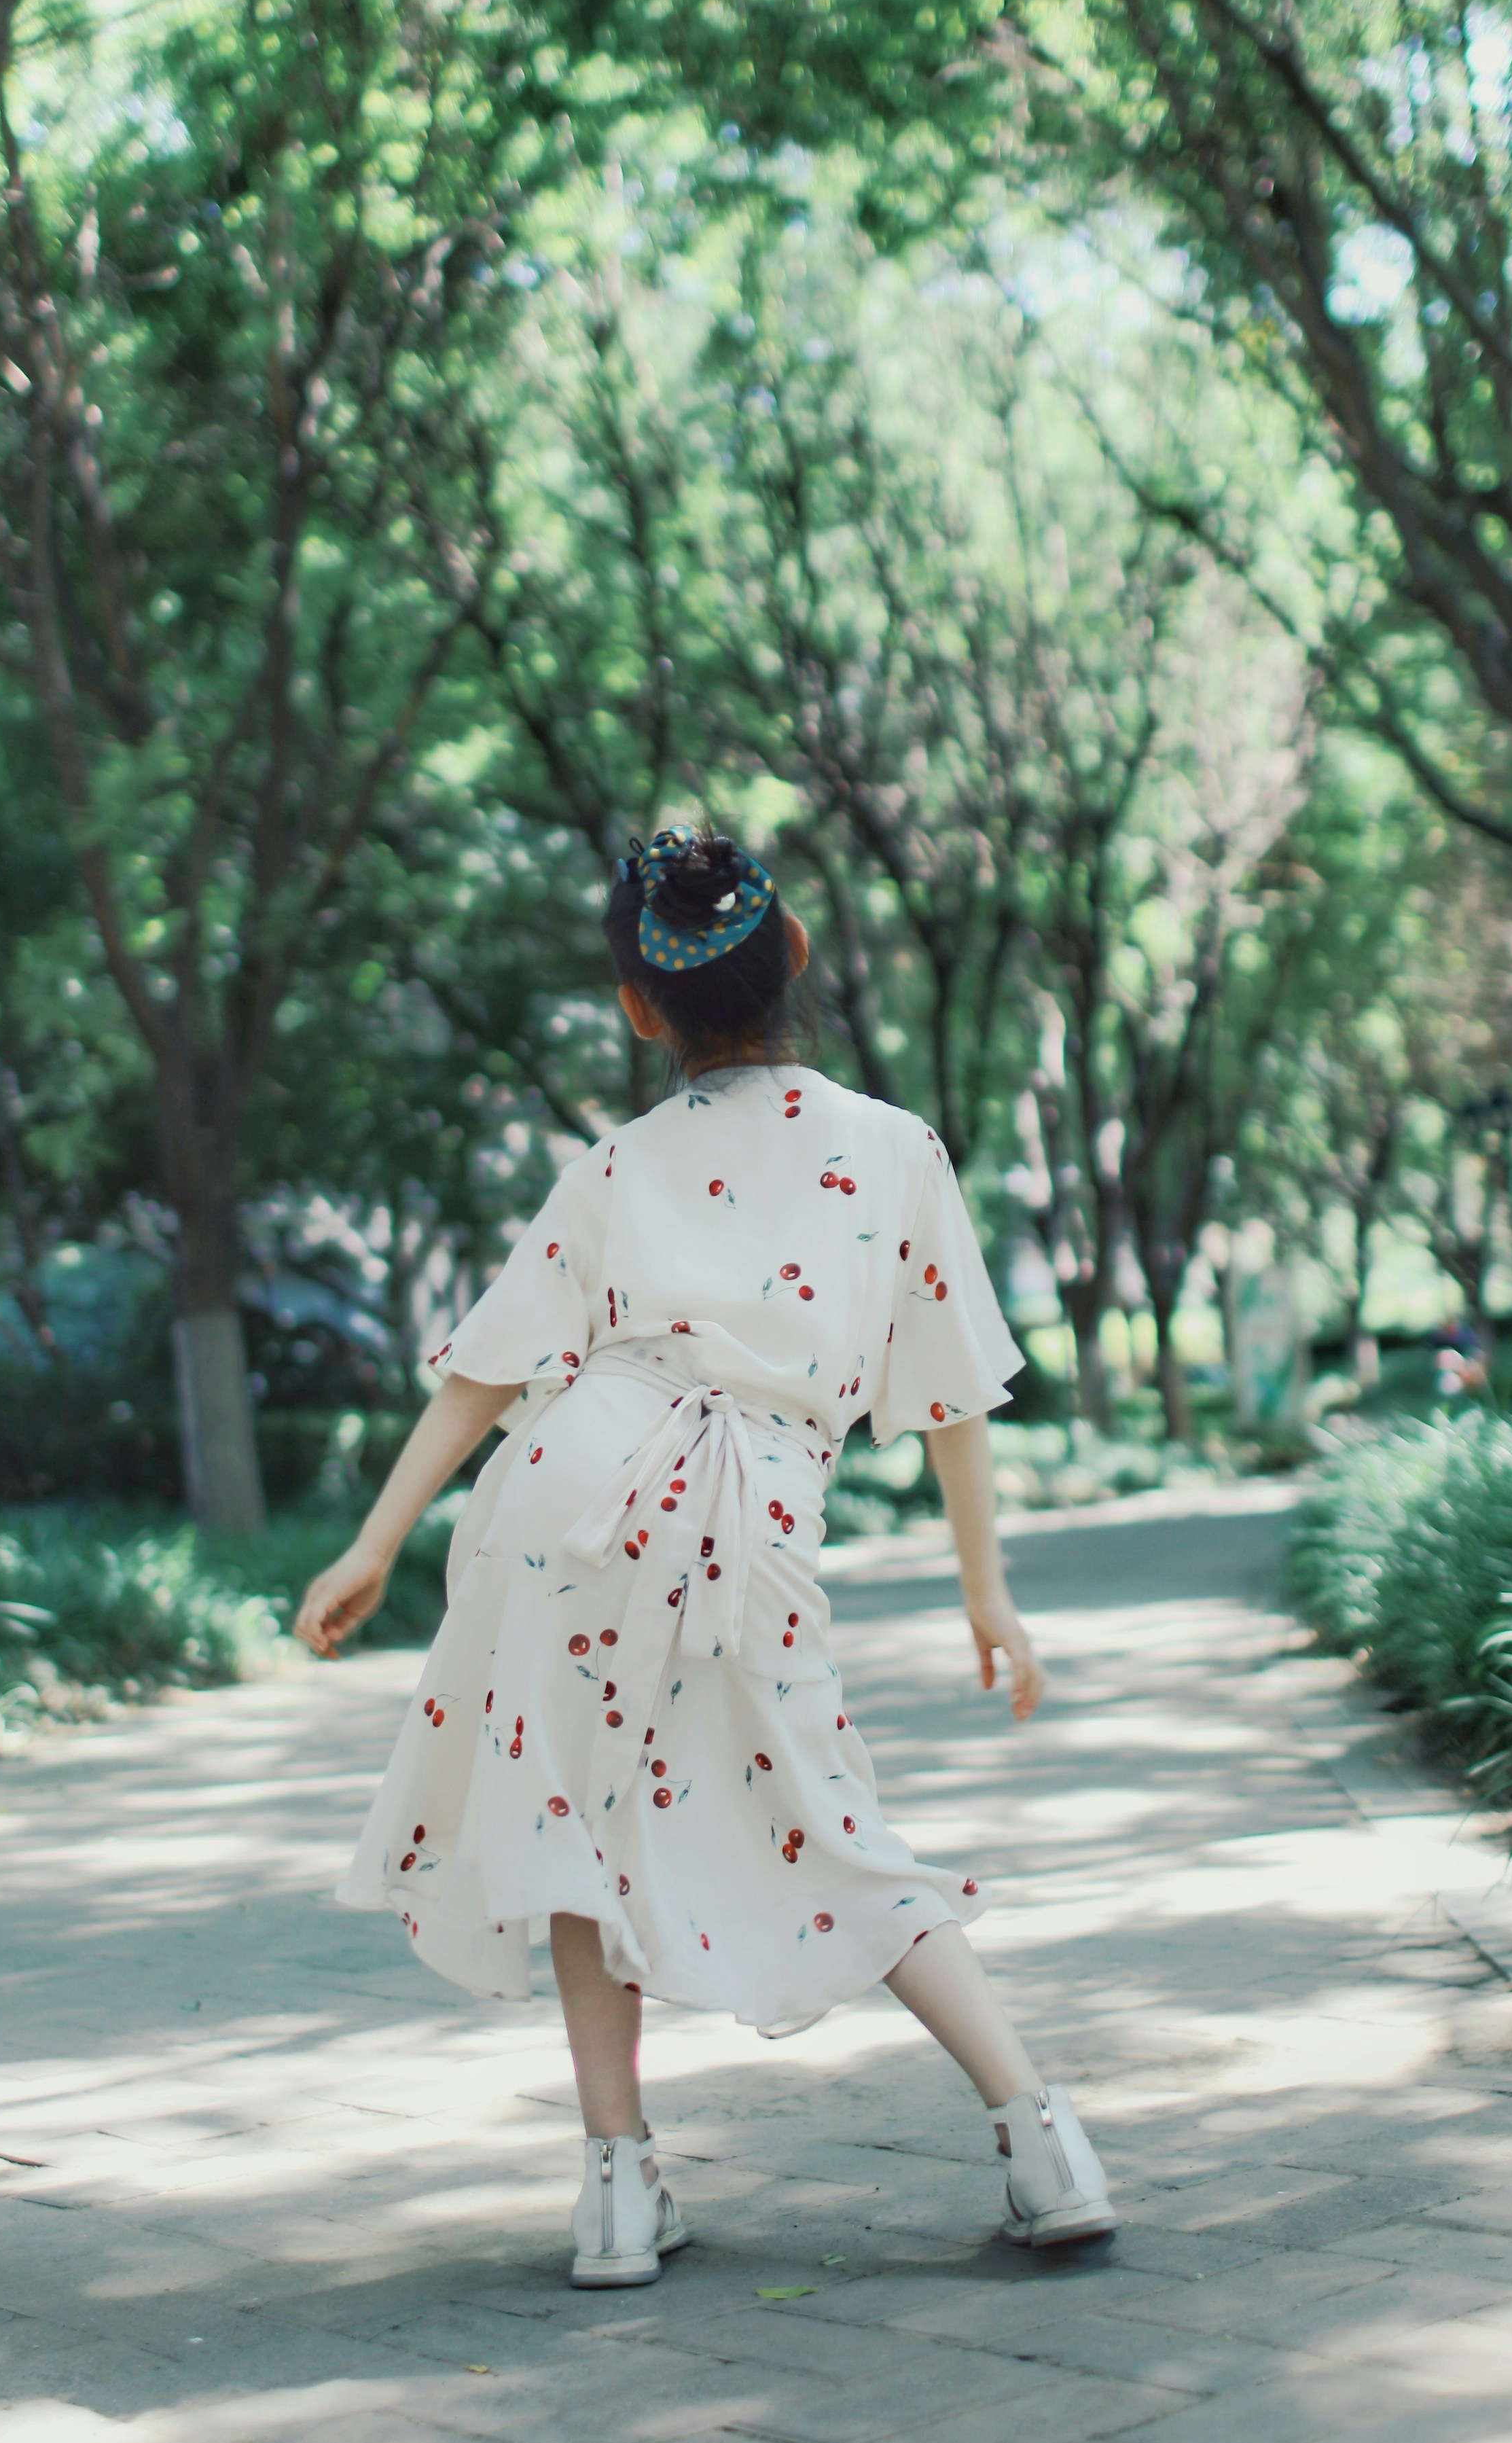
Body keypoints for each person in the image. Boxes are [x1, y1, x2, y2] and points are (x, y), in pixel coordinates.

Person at [295, 825, 1116, 2287]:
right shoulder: (894, 1149)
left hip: (562, 1494)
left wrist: (374, 1542)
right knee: (828, 1821)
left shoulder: (615, 1163)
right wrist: (986, 1595)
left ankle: (617, 2194)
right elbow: (951, 1391)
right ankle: (1042, 2140)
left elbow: (487, 1369)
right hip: (746, 1507)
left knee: (571, 1825)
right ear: (793, 957)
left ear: (637, 1007)